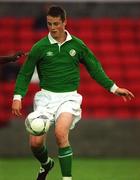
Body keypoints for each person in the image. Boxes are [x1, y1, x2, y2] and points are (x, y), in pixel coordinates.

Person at [11, 6, 134, 180]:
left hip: (68, 98)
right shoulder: (40, 47)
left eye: (56, 23)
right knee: (35, 143)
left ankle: (67, 178)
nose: (52, 28)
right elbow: (25, 73)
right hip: (45, 98)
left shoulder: (78, 45)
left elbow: (95, 69)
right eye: (49, 24)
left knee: (61, 134)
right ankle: (46, 163)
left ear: (65, 22)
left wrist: (114, 88)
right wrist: (18, 97)